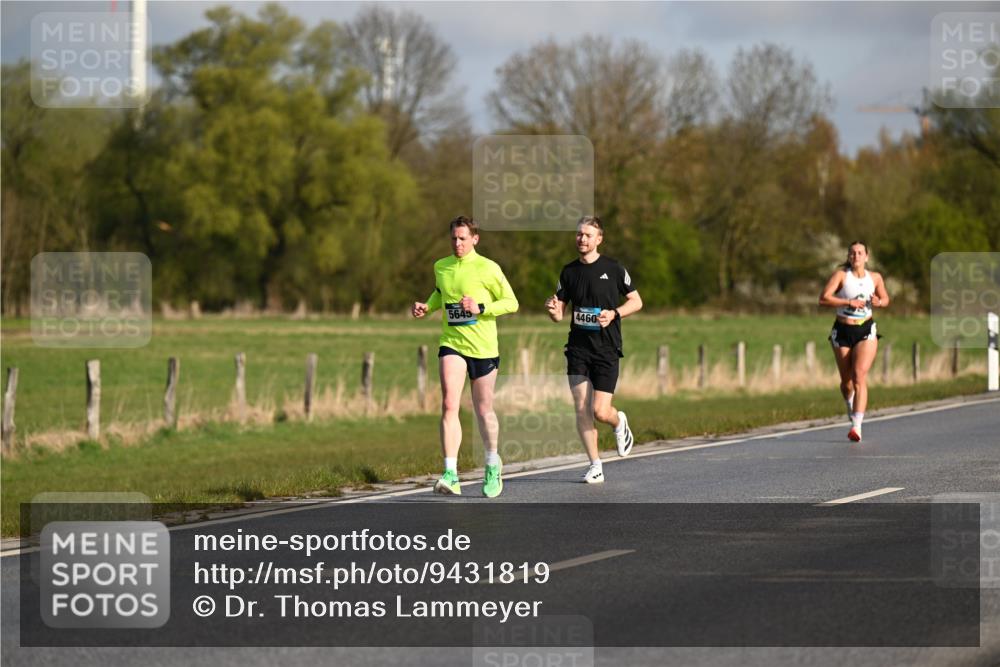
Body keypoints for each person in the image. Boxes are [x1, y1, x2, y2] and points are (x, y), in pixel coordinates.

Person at [412, 216, 518, 497]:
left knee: (483, 409)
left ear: (475, 239)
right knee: (449, 404)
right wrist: (428, 306)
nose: (457, 243)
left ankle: (492, 464)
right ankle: (451, 473)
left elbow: (511, 302)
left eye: (462, 238)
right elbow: (440, 294)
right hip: (452, 343)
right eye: (454, 239)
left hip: (483, 349)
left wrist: (480, 307)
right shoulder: (441, 266)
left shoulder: (488, 268)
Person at [545, 216, 642, 483]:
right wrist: (553, 310)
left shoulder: (613, 268)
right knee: (581, 408)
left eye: (588, 235)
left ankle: (618, 422)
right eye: (579, 234)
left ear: (599, 239)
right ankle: (595, 465)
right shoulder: (568, 272)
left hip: (607, 349)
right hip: (578, 349)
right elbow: (559, 314)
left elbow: (636, 301)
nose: (582, 239)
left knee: (600, 411)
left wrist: (614, 313)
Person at [819, 241, 890, 443]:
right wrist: (848, 302)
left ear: (866, 256)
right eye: (852, 253)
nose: (856, 256)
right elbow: (824, 298)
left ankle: (856, 426)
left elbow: (885, 299)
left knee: (859, 375)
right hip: (842, 330)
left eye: (860, 253)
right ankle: (850, 403)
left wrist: (879, 302)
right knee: (847, 382)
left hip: (865, 329)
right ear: (848, 256)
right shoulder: (841, 276)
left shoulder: (875, 278)